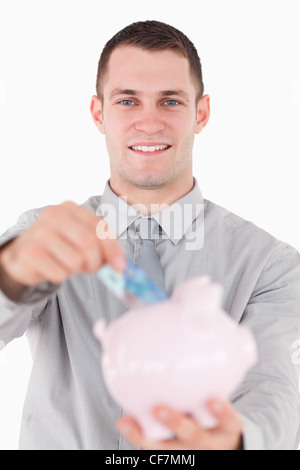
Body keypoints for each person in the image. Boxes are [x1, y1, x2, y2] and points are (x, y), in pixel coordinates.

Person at [0, 20, 300, 451]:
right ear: (98, 114)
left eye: (170, 101)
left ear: (201, 113)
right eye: (127, 100)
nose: (149, 122)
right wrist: (13, 269)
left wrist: (237, 441)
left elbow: (275, 390)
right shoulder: (42, 236)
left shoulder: (269, 264)